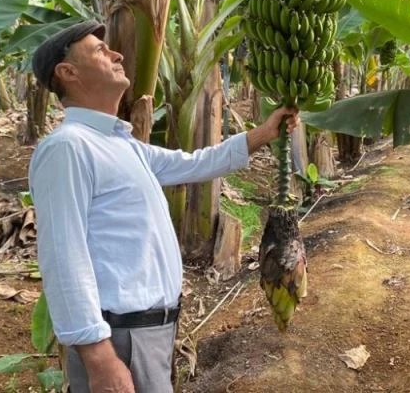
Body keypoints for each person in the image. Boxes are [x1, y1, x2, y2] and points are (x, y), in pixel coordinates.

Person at [28, 20, 297, 393]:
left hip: (148, 333)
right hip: (119, 339)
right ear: (68, 72)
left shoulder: (122, 145)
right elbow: (63, 256)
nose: (117, 54)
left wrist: (264, 133)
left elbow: (195, 163)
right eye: (100, 50)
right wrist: (99, 357)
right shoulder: (68, 147)